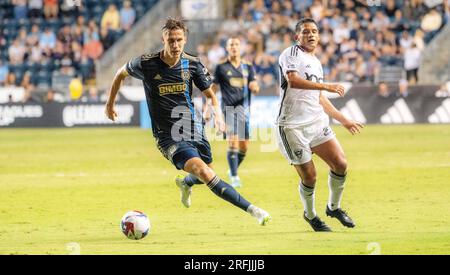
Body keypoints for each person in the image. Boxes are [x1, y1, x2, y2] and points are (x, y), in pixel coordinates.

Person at [105, 18, 270, 226]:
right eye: (171, 40)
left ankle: (185, 183)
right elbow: (120, 74)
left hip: (193, 127)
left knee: (207, 170)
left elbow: (210, 95)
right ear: (163, 39)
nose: (175, 45)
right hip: (168, 136)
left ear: (185, 40)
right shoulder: (146, 63)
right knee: (205, 172)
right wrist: (110, 104)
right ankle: (254, 210)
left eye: (179, 40)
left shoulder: (192, 63)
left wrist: (218, 116)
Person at [277, 18, 363, 232]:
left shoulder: (316, 61)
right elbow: (293, 81)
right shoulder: (291, 54)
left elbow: (319, 97)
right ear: (298, 36)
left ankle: (334, 207)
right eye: (306, 32)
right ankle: (311, 215)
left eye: (315, 31)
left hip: (316, 122)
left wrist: (343, 119)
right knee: (310, 176)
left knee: (341, 164)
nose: (311, 35)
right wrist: (327, 85)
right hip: (292, 126)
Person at [210, 37, 260, 188]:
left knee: (244, 147)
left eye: (237, 44)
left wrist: (255, 87)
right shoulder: (221, 67)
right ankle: (234, 175)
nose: (234, 47)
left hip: (243, 110)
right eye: (231, 44)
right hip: (228, 109)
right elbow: (214, 88)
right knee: (233, 142)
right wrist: (209, 106)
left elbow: (254, 82)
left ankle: (232, 169)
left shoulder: (247, 66)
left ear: (241, 47)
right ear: (227, 48)